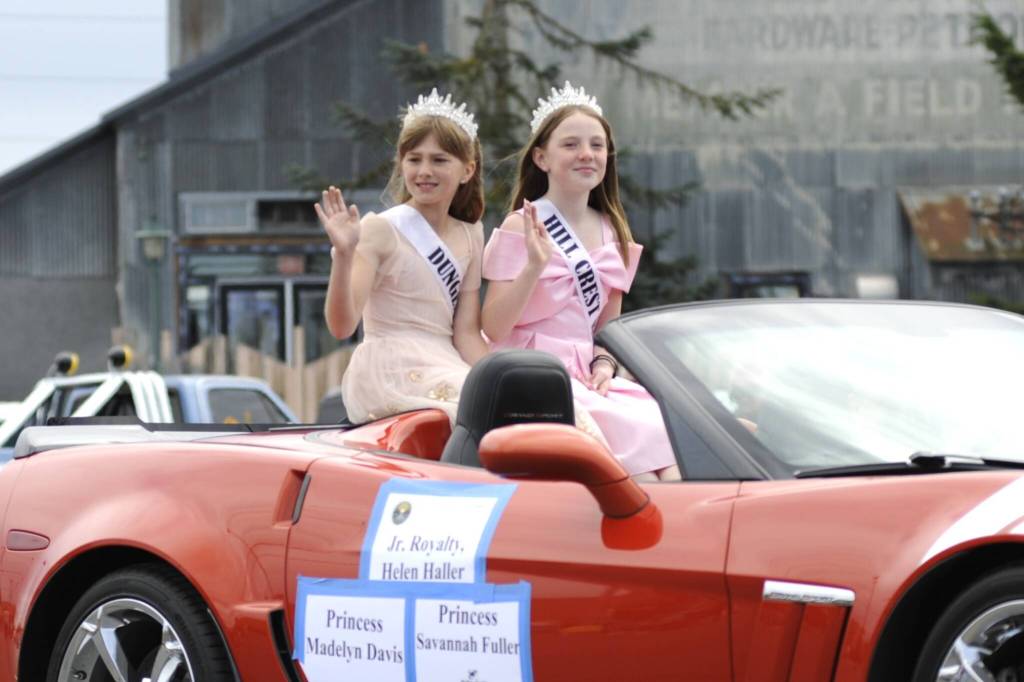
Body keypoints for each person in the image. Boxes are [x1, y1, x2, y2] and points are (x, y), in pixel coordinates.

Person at [481, 82, 681, 481]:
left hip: (589, 379)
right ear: (541, 157)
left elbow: (607, 330)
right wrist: (532, 269)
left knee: (677, 450)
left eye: (597, 145)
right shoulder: (522, 224)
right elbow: (493, 326)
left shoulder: (613, 230)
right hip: (535, 373)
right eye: (571, 145)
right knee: (638, 474)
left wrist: (605, 365)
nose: (587, 154)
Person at [317, 89, 488, 424]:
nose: (424, 170)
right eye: (414, 159)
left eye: (439, 160)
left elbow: (466, 333)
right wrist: (343, 254)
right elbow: (342, 325)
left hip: (447, 361)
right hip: (390, 370)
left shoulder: (472, 234)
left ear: (467, 170)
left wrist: (500, 376)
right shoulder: (381, 229)